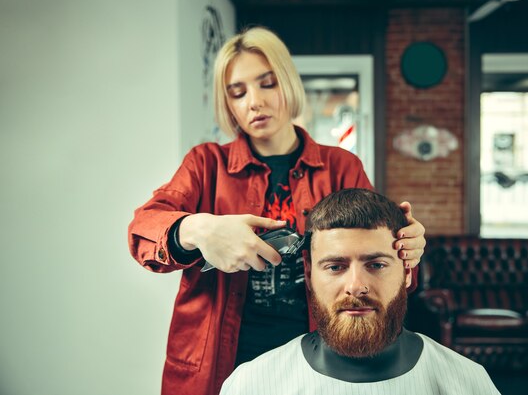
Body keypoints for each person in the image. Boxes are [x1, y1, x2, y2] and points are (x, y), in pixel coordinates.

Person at [127, 27, 426, 395]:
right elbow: (143, 230)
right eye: (238, 92)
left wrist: (407, 244)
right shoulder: (205, 164)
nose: (254, 102)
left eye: (267, 84)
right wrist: (198, 230)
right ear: (229, 104)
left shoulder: (341, 167)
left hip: (316, 363)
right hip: (217, 365)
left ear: (288, 83)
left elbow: (377, 253)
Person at [220, 188, 500, 395]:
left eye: (376, 264)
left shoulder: (468, 383)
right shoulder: (252, 385)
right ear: (308, 273)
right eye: (335, 267)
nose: (356, 285)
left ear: (407, 270)